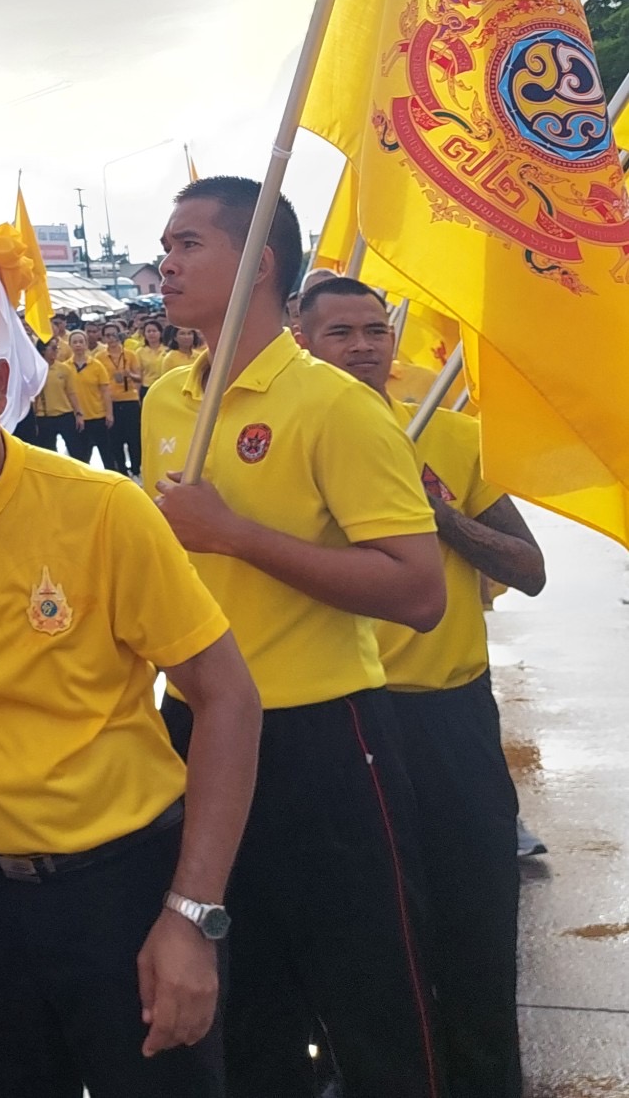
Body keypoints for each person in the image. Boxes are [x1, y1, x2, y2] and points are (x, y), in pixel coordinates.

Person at [0, 284, 260, 1097]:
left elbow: (228, 695)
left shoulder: (103, 512)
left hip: (128, 885)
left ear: (0, 386)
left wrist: (192, 913)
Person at [144, 177, 448, 1097]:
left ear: (258, 265)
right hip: (199, 737)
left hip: (322, 741)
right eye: (167, 242)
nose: (167, 260)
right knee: (245, 1011)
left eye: (190, 243)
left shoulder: (334, 405)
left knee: (376, 1005)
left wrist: (237, 532)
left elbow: (419, 588)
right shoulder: (167, 399)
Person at [294, 275, 545, 1098]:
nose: (364, 345)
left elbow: (528, 568)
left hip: (446, 718)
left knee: (476, 921)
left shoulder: (452, 432)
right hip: (338, 717)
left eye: (375, 329)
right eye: (340, 332)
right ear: (300, 339)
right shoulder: (285, 438)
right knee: (364, 933)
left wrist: (438, 516)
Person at [66, 329, 116, 469]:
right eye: (75, 342)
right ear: (70, 345)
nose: (78, 345)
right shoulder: (66, 367)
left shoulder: (97, 365)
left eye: (81, 342)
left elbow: (105, 390)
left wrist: (109, 413)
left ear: (86, 344)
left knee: (106, 452)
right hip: (77, 417)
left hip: (97, 415)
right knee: (80, 456)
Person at [106, 317, 145, 477]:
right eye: (107, 335)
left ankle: (136, 469)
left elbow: (139, 377)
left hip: (130, 400)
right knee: (115, 440)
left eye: (114, 335)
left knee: (133, 438)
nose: (111, 339)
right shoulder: (100, 357)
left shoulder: (130, 354)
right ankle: (121, 470)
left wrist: (129, 374)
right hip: (112, 402)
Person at [27, 336, 76, 455]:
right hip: (44, 417)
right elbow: (34, 396)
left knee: (76, 450)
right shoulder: (36, 370)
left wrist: (78, 413)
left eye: (57, 348)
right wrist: (33, 421)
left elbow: (71, 393)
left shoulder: (64, 368)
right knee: (49, 452)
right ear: (43, 350)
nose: (56, 351)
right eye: (53, 348)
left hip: (65, 414)